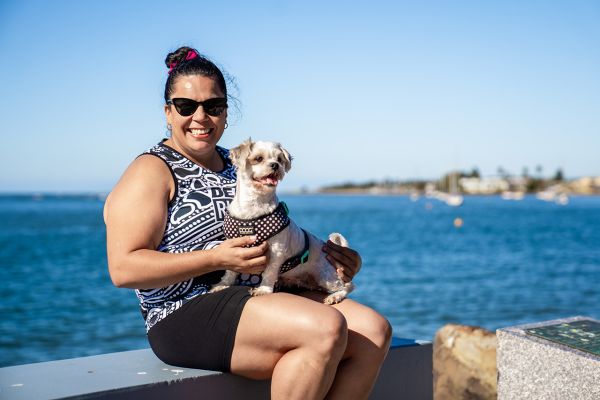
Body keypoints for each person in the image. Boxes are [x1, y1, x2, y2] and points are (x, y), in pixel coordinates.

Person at [104, 46, 392, 400]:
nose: (200, 117)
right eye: (185, 106)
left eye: (213, 106)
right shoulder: (151, 170)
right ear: (167, 112)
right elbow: (123, 268)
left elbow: (278, 229)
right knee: (324, 328)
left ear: (226, 112)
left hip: (261, 292)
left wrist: (337, 259)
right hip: (185, 309)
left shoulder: (238, 161)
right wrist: (215, 259)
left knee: (374, 332)